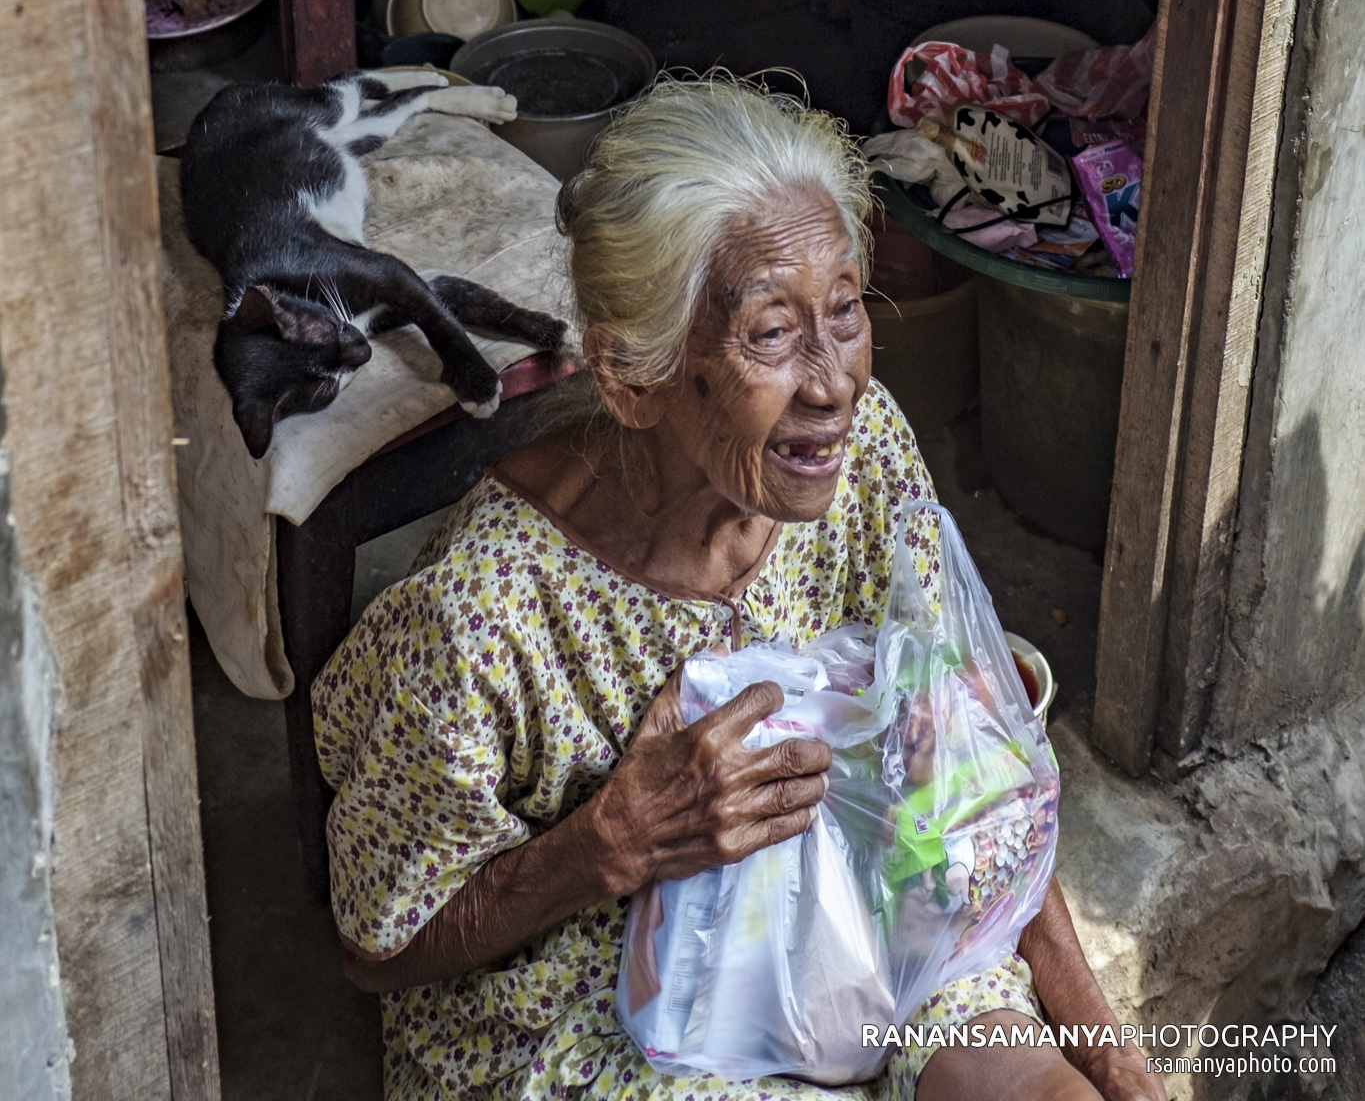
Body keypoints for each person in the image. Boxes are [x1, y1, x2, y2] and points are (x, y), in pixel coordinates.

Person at [314, 76, 1166, 1101]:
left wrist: (1103, 1047)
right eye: (770, 332)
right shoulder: (486, 612)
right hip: (597, 988)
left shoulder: (865, 451)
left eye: (843, 310)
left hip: (863, 886)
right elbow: (376, 946)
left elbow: (974, 794)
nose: (835, 381)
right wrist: (609, 843)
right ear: (633, 377)